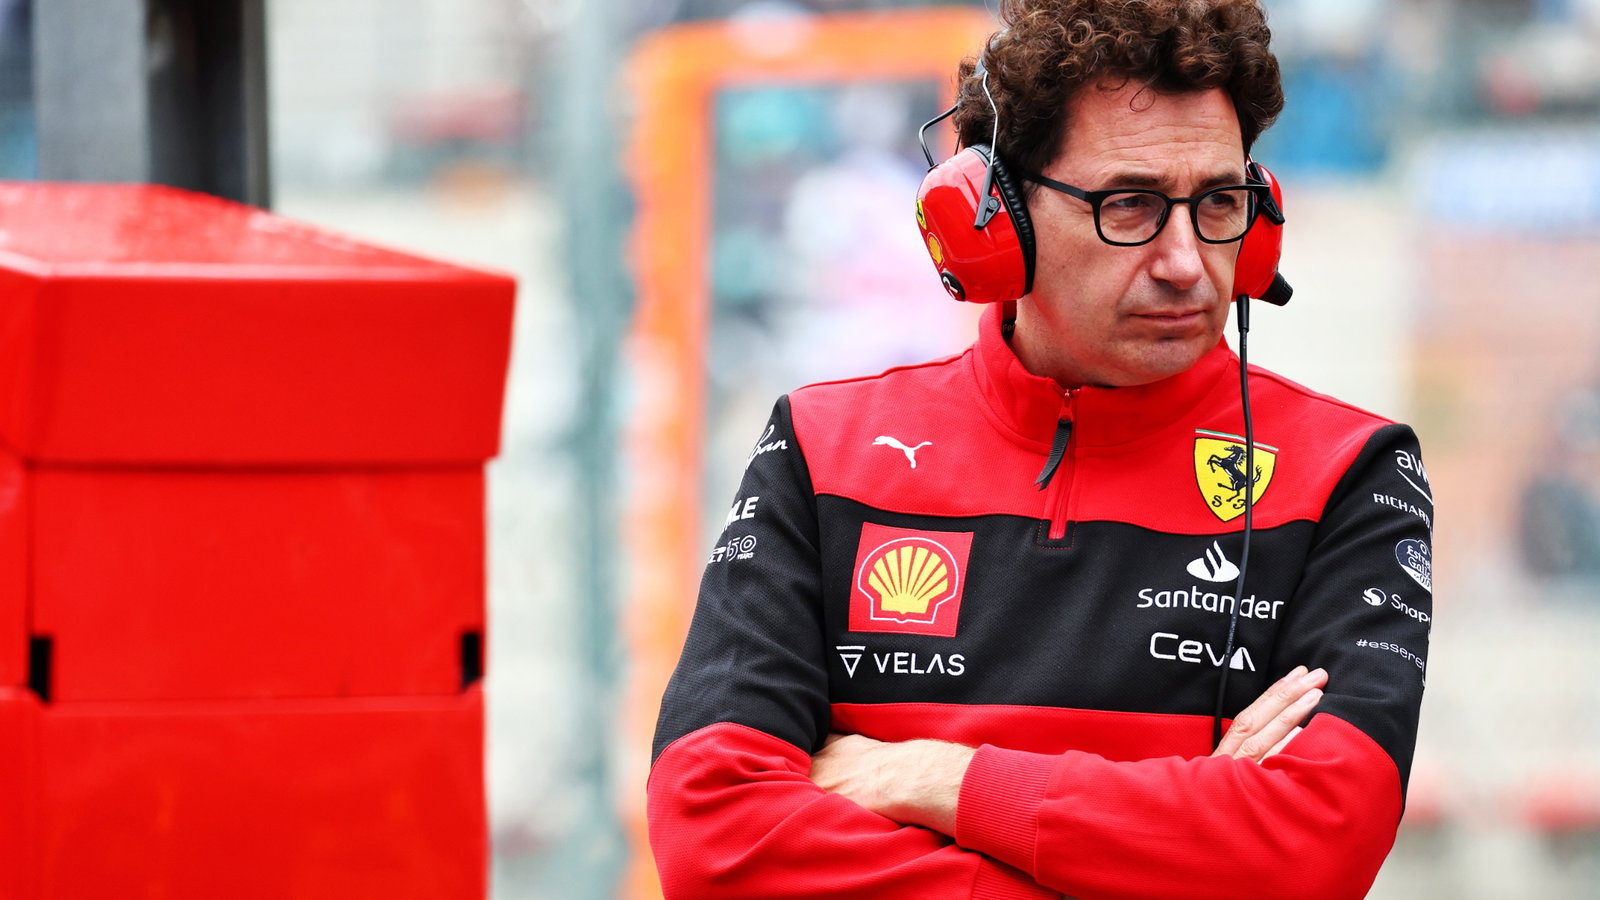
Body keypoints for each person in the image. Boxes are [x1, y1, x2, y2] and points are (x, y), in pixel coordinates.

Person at [649, 1, 1434, 897]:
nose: (1186, 261)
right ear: (995, 218)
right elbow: (713, 835)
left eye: (1220, 202)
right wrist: (1174, 844)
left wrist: (938, 779)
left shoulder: (1351, 470)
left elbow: (1317, 840)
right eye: (1130, 204)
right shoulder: (823, 449)